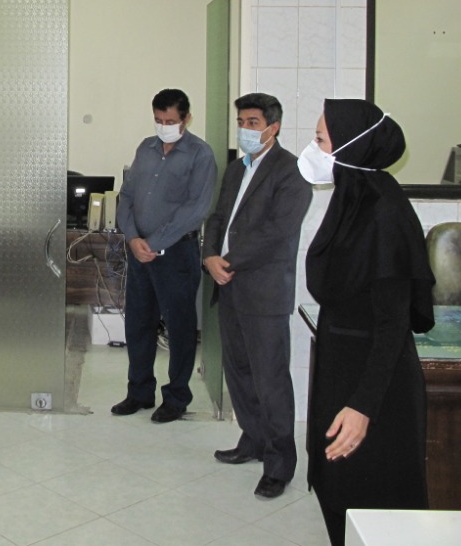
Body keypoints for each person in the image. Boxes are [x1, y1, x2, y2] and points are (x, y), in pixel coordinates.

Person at [299, 99, 435, 546]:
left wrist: (362, 407)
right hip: (343, 368)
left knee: (373, 505)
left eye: (320, 140)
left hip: (374, 389)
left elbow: (393, 325)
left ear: (351, 147)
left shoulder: (384, 214)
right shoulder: (354, 199)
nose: (313, 149)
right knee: (337, 490)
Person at [202, 93, 312, 499]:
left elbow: (277, 233)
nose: (244, 129)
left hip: (262, 291)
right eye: (241, 122)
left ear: (273, 127)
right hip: (228, 286)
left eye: (252, 122)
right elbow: (218, 218)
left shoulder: (291, 171)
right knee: (239, 372)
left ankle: (279, 464)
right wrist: (209, 256)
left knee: (271, 379)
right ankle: (252, 440)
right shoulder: (236, 169)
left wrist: (227, 262)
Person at [112, 88, 216, 423]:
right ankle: (139, 392)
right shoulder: (146, 148)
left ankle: (176, 398)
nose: (163, 126)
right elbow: (127, 196)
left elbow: (196, 209)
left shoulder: (200, 155)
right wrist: (132, 238)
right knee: (138, 324)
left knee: (179, 328)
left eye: (170, 121)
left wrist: (154, 242)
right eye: (158, 120)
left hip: (176, 253)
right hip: (139, 252)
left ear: (186, 118)